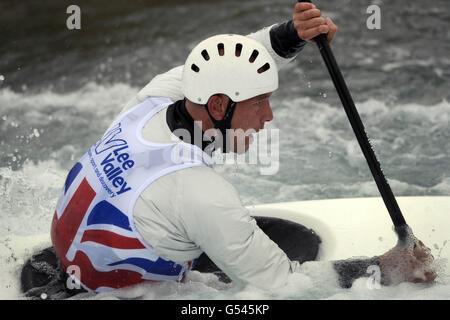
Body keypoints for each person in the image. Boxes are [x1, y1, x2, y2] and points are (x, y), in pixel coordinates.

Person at [21, 2, 436, 299]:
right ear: (219, 106)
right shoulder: (201, 193)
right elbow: (289, 285)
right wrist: (383, 267)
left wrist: (291, 35)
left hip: (66, 260)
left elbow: (226, 58)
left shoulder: (154, 100)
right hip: (122, 293)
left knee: (268, 238)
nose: (269, 116)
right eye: (260, 103)